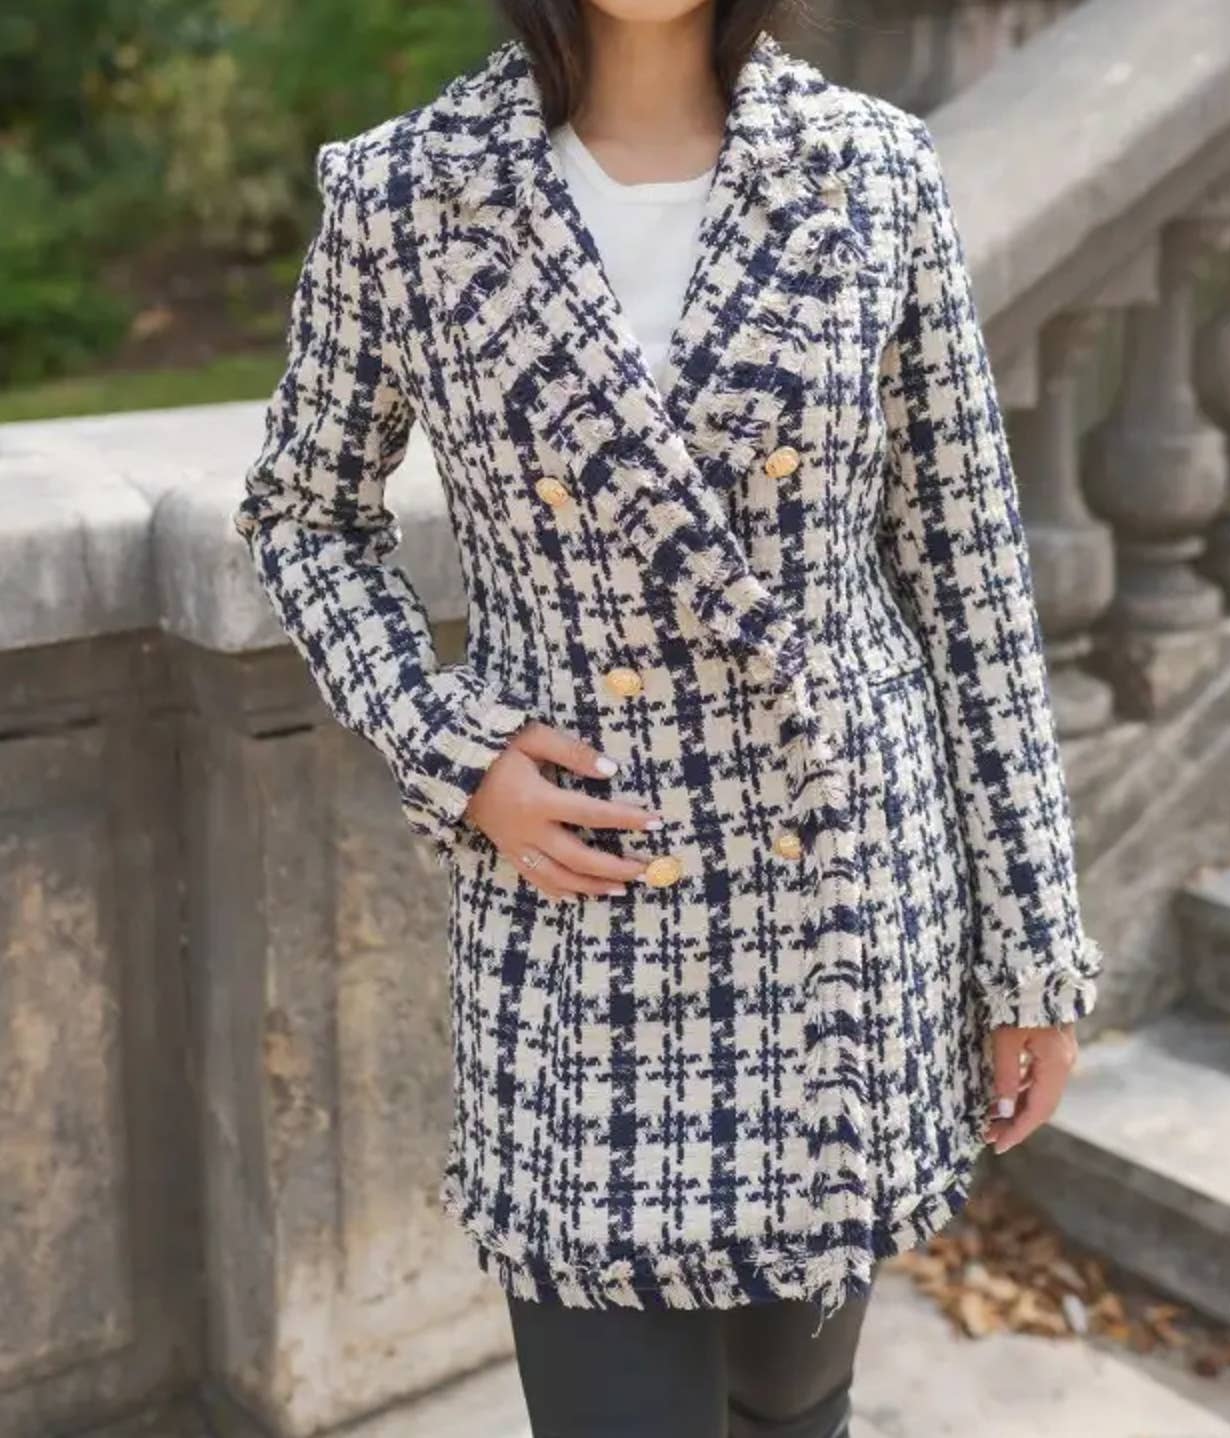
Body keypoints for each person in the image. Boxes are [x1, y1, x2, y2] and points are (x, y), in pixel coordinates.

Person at [231, 0, 1105, 1433]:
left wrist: (1032, 950)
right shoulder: (405, 193)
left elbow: (966, 576)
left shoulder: (873, 171)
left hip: (830, 904)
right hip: (581, 910)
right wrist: (456, 753)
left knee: (791, 1410)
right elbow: (302, 514)